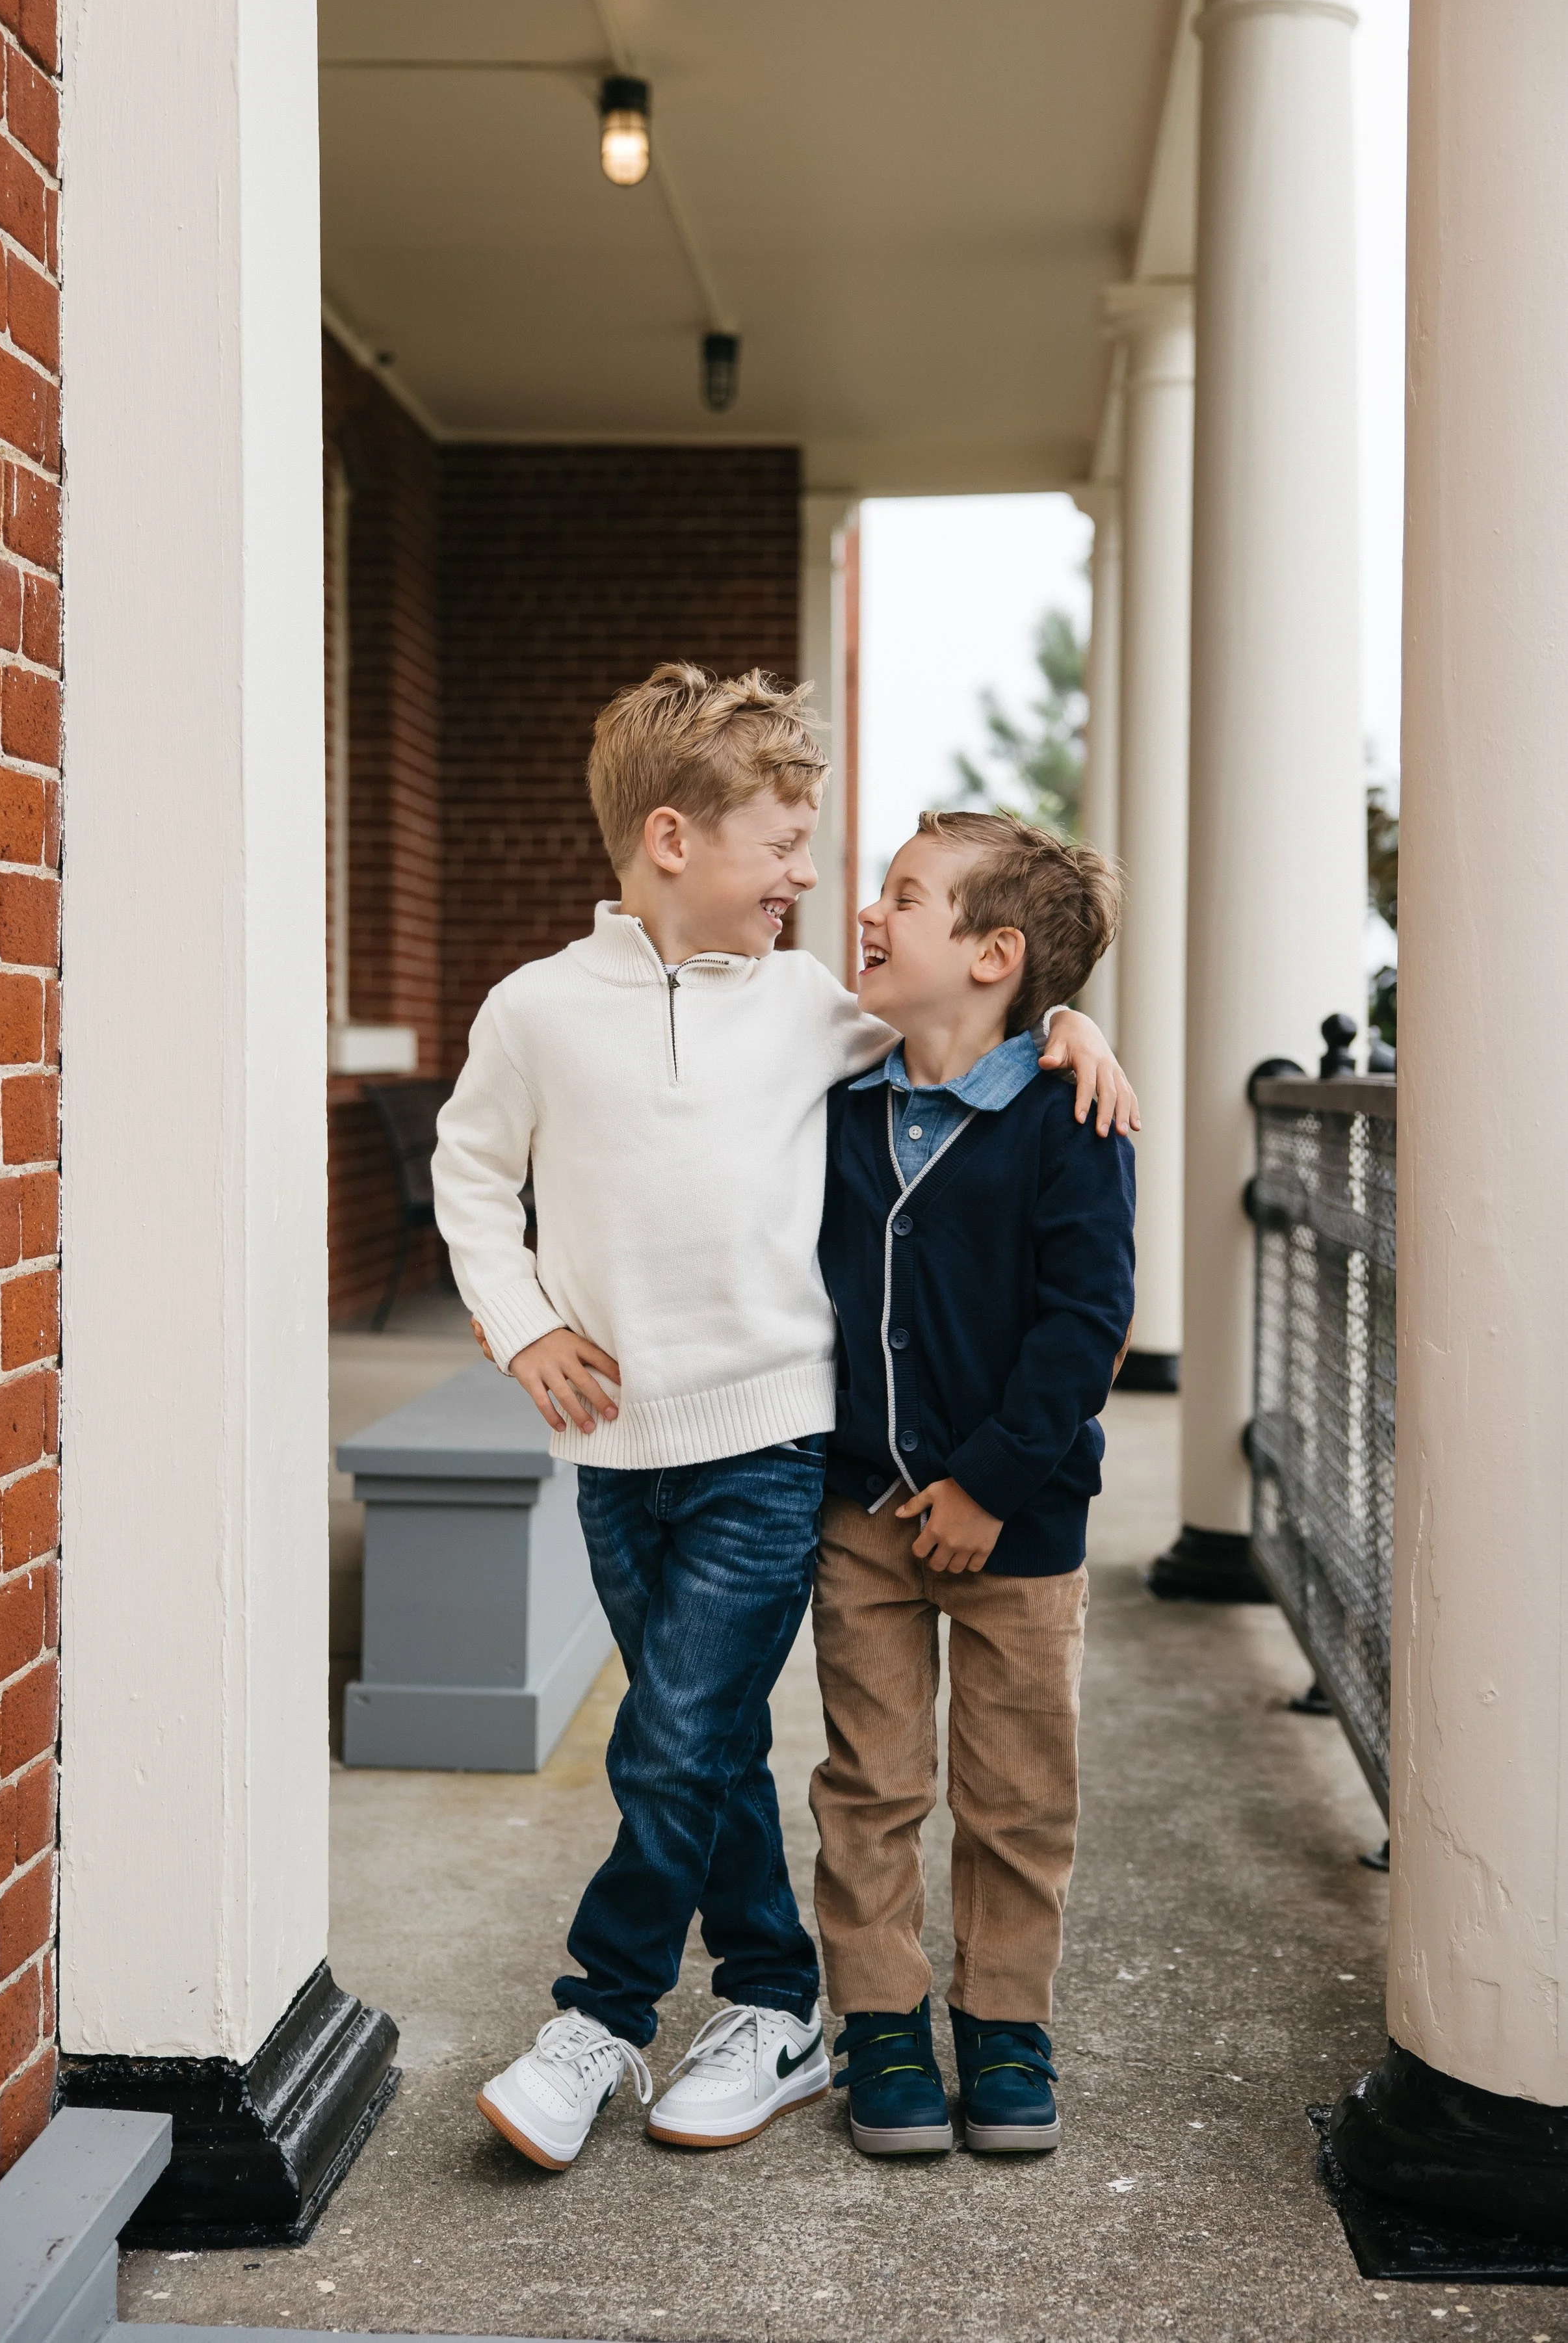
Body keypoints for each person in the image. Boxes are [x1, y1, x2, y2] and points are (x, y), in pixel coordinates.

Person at [432, 667, 1135, 2171]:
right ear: (674, 839)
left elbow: (981, 1031)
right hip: (613, 1453)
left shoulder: (814, 1007)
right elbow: (470, 1177)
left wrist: (1075, 1024)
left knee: (672, 1733)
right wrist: (525, 1322)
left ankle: (601, 2015)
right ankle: (773, 1999)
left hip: (770, 1447)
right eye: (786, 843)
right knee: (708, 1745)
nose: (811, 881)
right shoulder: (535, 1010)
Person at [812, 810, 1135, 2159]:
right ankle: (880, 2023)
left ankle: (1002, 2024)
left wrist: (990, 1486)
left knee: (1013, 1794)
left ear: (995, 954)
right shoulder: (834, 1097)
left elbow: (1083, 1323)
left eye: (903, 897)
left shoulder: (1069, 1120)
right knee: (868, 1785)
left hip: (1016, 1533)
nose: (867, 917)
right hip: (863, 1516)